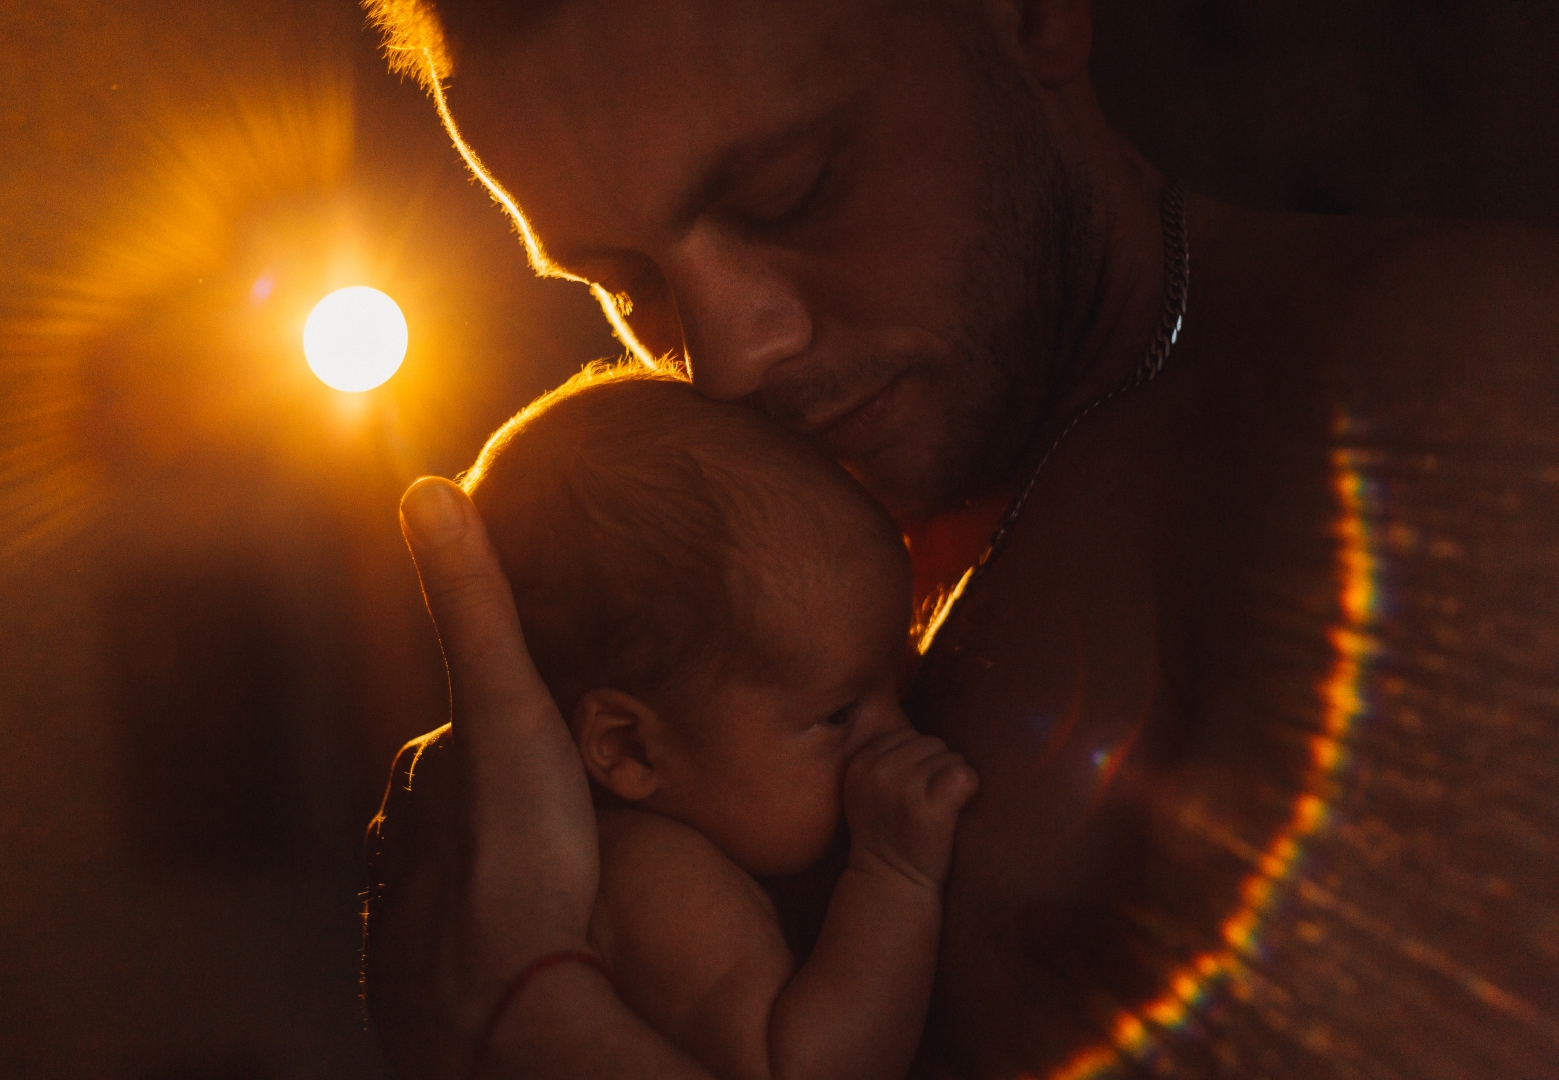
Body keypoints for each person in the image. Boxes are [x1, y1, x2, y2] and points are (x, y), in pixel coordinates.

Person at [362, 1, 1559, 1077]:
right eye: (623, 283)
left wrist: (526, 1016)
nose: (727, 356)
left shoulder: (1452, 390)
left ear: (1034, 16)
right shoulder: (784, 560)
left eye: (793, 190)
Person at [450, 365, 976, 1080]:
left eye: (903, 667)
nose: (898, 730)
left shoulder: (718, 827)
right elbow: (799, 1069)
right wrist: (895, 876)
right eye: (841, 714)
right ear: (631, 749)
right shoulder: (654, 877)